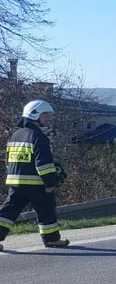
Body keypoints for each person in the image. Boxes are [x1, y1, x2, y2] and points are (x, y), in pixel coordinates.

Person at [0, 100, 69, 249]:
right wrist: (50, 183)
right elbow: (43, 163)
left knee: (8, 211)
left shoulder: (15, 135)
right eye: (44, 115)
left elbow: (8, 161)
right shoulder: (38, 137)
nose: (46, 118)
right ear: (35, 115)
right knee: (46, 209)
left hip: (15, 182)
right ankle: (51, 239)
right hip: (36, 184)